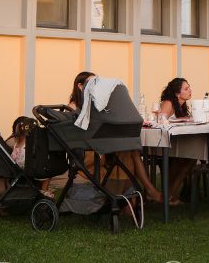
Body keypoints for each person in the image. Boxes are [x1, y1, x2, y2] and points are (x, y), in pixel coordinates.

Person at [66, 72, 163, 204]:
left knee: (130, 150)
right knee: (128, 151)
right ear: (80, 86)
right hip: (88, 149)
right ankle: (144, 194)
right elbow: (78, 133)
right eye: (91, 83)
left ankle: (135, 199)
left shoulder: (95, 104)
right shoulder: (73, 107)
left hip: (99, 144)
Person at [159, 77, 197, 201]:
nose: (190, 90)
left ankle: (170, 194)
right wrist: (183, 119)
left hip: (177, 143)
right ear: (177, 93)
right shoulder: (168, 103)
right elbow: (161, 120)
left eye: (189, 87)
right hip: (162, 144)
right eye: (186, 89)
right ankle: (167, 194)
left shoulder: (182, 106)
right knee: (184, 158)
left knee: (191, 158)